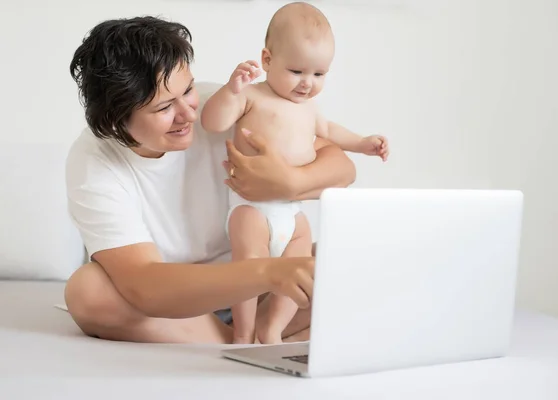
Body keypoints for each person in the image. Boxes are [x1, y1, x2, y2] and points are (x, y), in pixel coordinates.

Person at [63, 15, 356, 344]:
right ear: (117, 123)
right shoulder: (93, 162)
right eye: (163, 108)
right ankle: (242, 340)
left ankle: (253, 334)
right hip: (177, 304)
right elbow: (142, 284)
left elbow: (341, 166)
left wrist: (290, 182)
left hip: (263, 289)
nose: (189, 114)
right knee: (88, 292)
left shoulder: (224, 107)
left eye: (186, 90)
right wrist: (268, 274)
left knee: (352, 257)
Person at [200, 2, 389, 344]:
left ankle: (271, 328)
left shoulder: (309, 110)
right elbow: (213, 122)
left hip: (291, 212)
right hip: (251, 209)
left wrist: (363, 143)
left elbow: (331, 131)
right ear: (268, 60)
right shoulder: (254, 97)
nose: (307, 84)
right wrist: (231, 90)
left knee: (299, 259)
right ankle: (242, 332)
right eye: (298, 71)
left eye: (319, 75)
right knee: (249, 268)